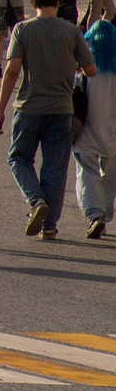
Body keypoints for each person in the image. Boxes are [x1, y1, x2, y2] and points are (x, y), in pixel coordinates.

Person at [0, 0, 82, 240]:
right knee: (55, 167)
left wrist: (0, 110)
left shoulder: (23, 29)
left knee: (18, 158)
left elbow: (12, 71)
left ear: (34, 4)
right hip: (63, 109)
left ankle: (36, 201)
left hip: (29, 107)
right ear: (58, 2)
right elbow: (91, 69)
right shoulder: (72, 31)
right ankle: (49, 226)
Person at [76, 17, 116, 241]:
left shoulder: (87, 66)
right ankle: (106, 213)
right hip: (114, 133)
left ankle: (95, 214)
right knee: (110, 176)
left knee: (86, 170)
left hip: (89, 129)